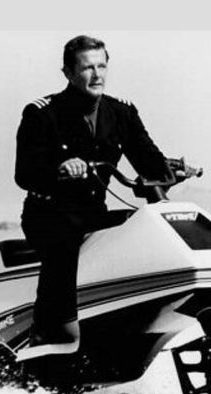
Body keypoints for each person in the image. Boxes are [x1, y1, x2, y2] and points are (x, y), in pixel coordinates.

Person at [15, 35, 171, 351]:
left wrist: (168, 170)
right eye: (88, 68)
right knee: (64, 245)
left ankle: (125, 324)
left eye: (102, 66)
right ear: (68, 73)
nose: (97, 75)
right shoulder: (42, 113)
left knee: (142, 229)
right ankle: (51, 335)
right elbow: (24, 174)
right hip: (49, 214)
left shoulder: (121, 112)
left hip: (93, 214)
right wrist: (60, 168)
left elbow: (148, 159)